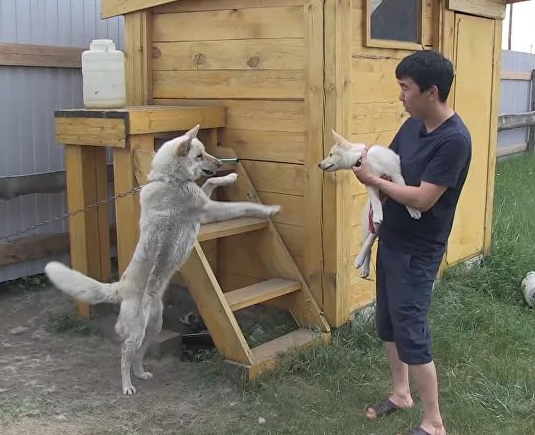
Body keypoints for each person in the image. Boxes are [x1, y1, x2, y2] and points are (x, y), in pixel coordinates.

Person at [352, 50, 472, 435]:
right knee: (388, 323)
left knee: (411, 329)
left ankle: (434, 422)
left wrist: (374, 182)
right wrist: (368, 172)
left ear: (431, 92)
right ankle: (401, 394)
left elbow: (423, 198)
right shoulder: (412, 126)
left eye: (405, 88)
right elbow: (389, 168)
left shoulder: (454, 141)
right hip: (391, 239)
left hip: (418, 251)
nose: (401, 96)